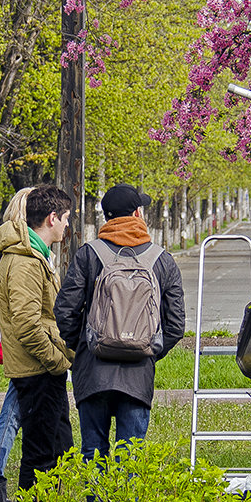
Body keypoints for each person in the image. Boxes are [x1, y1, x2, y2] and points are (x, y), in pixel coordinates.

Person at [54, 184, 185, 460]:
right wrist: (146, 349)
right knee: (131, 456)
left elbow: (65, 310)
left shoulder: (88, 254)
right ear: (138, 213)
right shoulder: (162, 260)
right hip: (138, 375)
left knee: (93, 451)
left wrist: (86, 345)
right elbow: (175, 324)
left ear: (106, 218)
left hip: (93, 372)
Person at [0, 184, 74, 492]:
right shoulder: (26, 261)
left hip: (44, 369)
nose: (68, 225)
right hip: (37, 370)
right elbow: (26, 324)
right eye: (66, 218)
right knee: (41, 455)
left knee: (60, 449)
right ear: (52, 218)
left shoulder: (36, 256)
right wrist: (57, 362)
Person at [0, 187, 34, 479]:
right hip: (25, 339)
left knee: (15, 411)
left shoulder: (6, 242)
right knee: (11, 414)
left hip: (15, 333)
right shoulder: (22, 249)